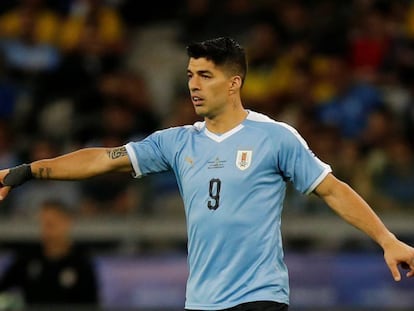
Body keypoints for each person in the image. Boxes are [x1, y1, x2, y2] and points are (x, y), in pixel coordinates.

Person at [0, 37, 413, 311]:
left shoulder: (274, 137)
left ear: (234, 83)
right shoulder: (176, 142)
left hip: (259, 297)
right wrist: (26, 172)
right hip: (201, 302)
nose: (193, 85)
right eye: (189, 76)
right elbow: (102, 159)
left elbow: (333, 190)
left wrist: (387, 239)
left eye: (205, 76)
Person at [0, 199, 99, 307]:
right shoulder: (26, 259)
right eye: (42, 224)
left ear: (66, 223)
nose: (45, 230)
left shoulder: (81, 263)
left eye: (50, 224)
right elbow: (4, 290)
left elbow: (91, 304)